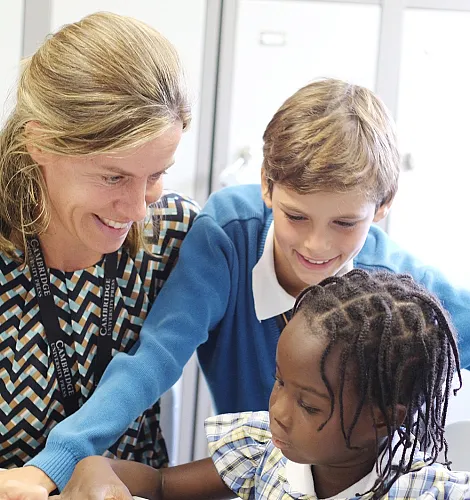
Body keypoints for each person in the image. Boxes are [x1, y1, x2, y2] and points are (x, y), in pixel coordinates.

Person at [16, 79, 470, 497]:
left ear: (384, 206)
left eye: (346, 223)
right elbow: (153, 360)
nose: (317, 244)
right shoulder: (230, 237)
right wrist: (56, 465)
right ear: (267, 187)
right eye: (296, 216)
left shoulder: (402, 294)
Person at [0, 9, 198, 496]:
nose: (135, 209)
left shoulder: (176, 234)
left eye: (155, 175)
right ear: (40, 143)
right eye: (113, 177)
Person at [59, 270, 470, 499]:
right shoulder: (263, 451)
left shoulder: (426, 491)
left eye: (309, 405)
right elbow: (163, 485)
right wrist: (99, 468)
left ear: (382, 419)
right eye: (279, 382)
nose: (279, 411)